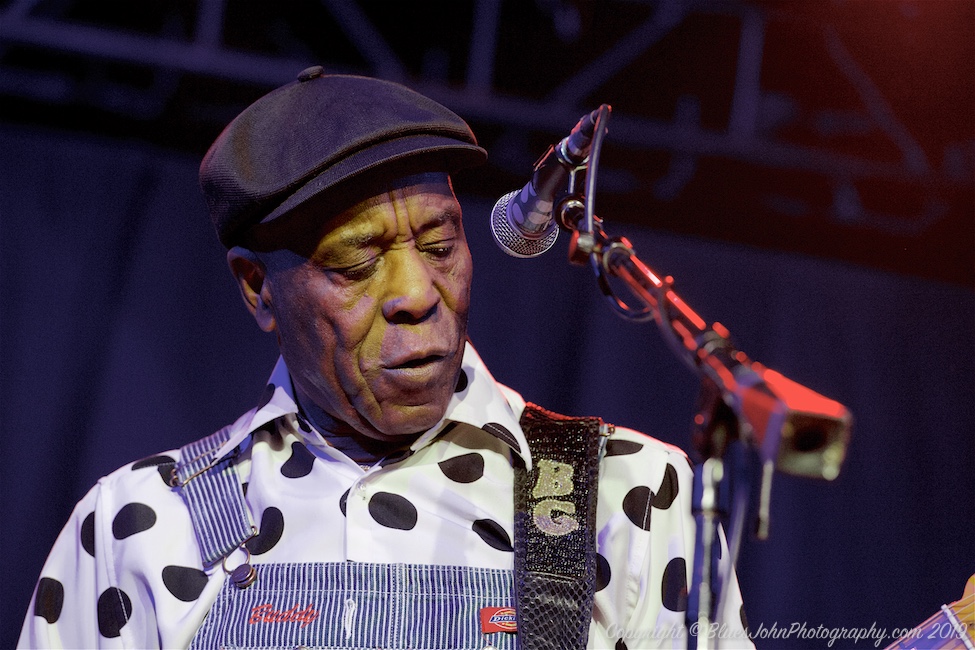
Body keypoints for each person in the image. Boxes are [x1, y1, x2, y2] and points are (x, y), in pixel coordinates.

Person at [19, 68, 751, 649]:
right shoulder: (142, 523)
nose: (415, 294)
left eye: (439, 247)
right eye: (356, 264)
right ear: (257, 289)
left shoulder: (628, 495)